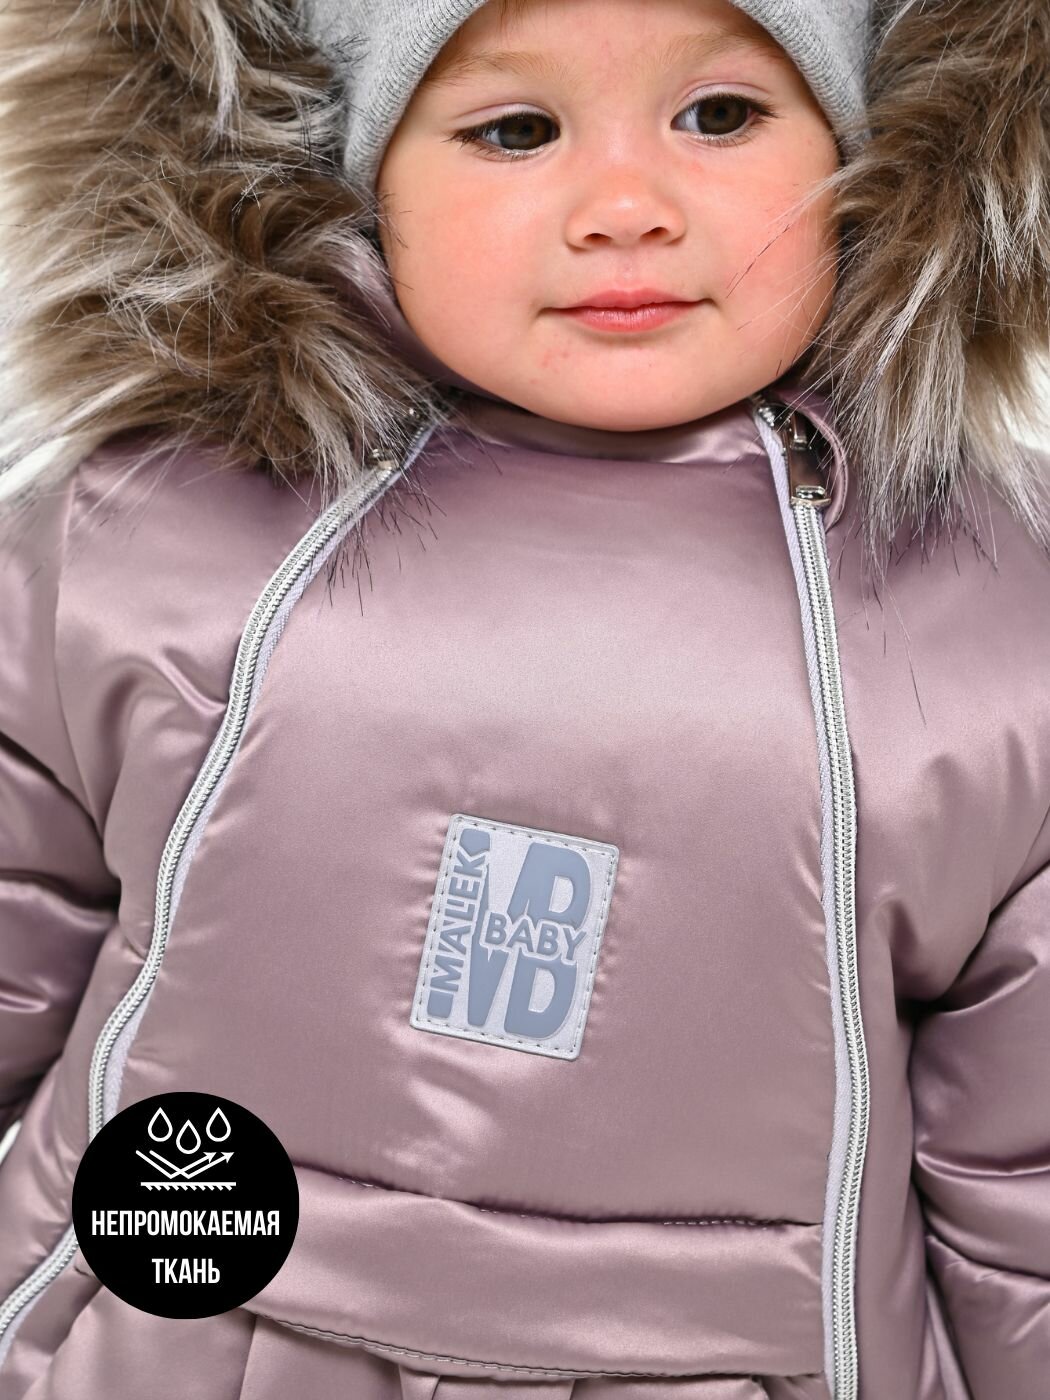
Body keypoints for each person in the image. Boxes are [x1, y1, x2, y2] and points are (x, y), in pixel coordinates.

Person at [0, 0, 1046, 1396]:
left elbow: (1024, 1177)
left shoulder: (984, 644)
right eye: (514, 130)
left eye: (720, 116)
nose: (624, 208)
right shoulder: (154, 545)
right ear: (356, 175)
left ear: (882, 154)